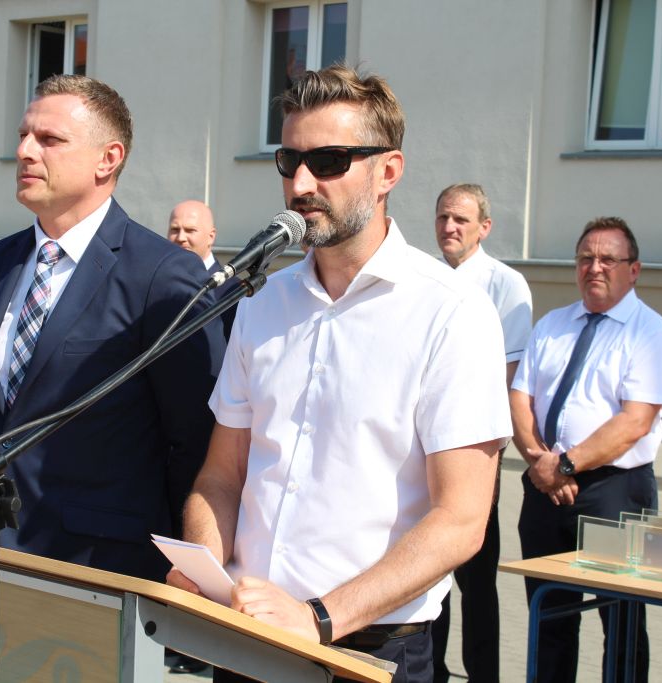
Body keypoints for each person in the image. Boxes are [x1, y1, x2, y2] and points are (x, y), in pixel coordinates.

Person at [167, 65, 512, 683]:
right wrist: (203, 565)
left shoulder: (452, 311)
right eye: (289, 160)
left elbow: (461, 520)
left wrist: (319, 618)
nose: (301, 183)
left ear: (388, 172)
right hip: (247, 631)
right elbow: (222, 475)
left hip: (368, 649)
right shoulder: (262, 303)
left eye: (328, 161)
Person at [0, 74, 225, 582]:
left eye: (49, 139)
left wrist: (183, 565)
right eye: (23, 135)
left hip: (101, 567)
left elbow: (194, 439)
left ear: (108, 159)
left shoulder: (161, 275)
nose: (24, 151)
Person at [510, 217, 662, 683]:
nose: (595, 267)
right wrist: (541, 462)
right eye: (586, 258)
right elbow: (520, 397)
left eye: (609, 259)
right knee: (549, 617)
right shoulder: (552, 325)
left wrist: (564, 464)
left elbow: (634, 423)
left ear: (634, 269)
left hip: (615, 493)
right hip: (545, 488)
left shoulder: (652, 334)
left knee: (621, 620)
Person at [431, 183, 532, 683]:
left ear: (484, 228)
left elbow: (511, 377)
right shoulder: (424, 277)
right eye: (443, 218)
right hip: (424, 448)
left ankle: (483, 675)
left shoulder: (506, 286)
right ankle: (432, 671)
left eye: (461, 220)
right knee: (428, 573)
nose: (450, 228)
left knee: (475, 578)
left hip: (474, 449)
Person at [168, 199, 238, 340]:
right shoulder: (158, 282)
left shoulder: (233, 291)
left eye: (190, 230)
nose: (181, 238)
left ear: (211, 237)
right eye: (175, 230)